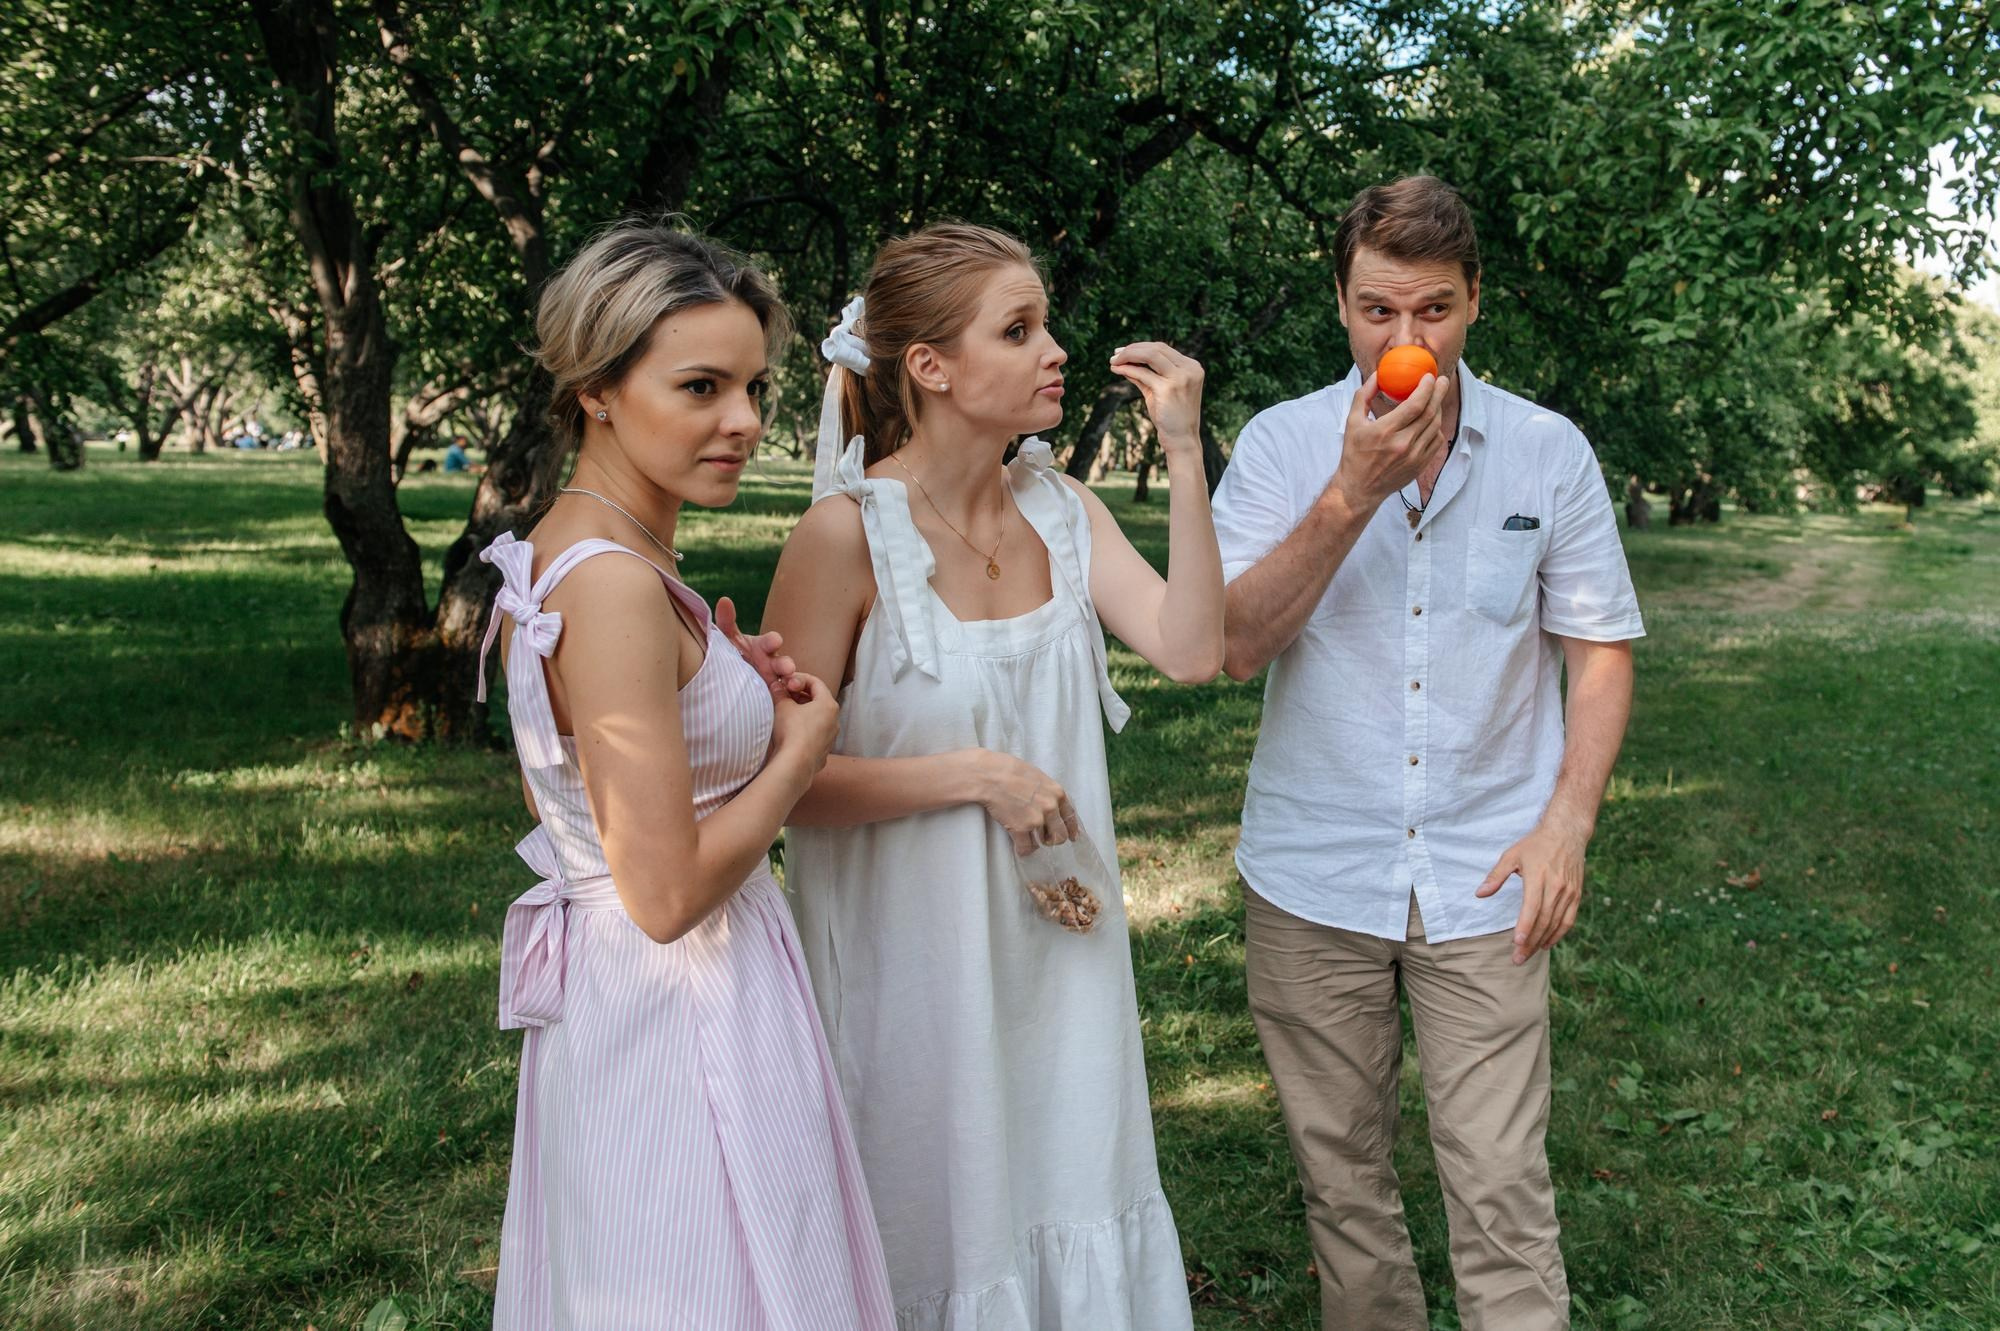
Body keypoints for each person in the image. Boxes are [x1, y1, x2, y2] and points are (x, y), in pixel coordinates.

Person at [763, 222, 1225, 1330]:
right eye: (1017, 330)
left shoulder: (1064, 511)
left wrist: (1184, 452)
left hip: (1061, 958)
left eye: (1044, 323)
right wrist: (973, 774)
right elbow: (783, 785)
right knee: (945, 1222)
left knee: (1069, 1180)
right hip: (911, 967)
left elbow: (1192, 648)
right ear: (929, 366)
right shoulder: (842, 538)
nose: (1054, 349)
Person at [1210, 175, 1643, 1330]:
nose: (1405, 338)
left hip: (1486, 872)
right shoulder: (1279, 445)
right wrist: (1348, 493)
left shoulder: (1545, 451)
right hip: (1311, 872)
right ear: (1340, 304)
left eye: (1433, 310)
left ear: (1473, 301)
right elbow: (1233, 644)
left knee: (1500, 1184)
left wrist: (1565, 823)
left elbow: (1598, 654)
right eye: (1376, 310)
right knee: (1343, 1188)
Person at [481, 219, 895, 1331]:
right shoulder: (612, 583)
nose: (744, 420)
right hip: (680, 1008)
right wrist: (797, 753)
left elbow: (569, 794)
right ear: (597, 390)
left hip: (647, 994)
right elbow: (662, 893)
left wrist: (731, 694)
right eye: (701, 387)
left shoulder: (585, 553)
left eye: (753, 386)